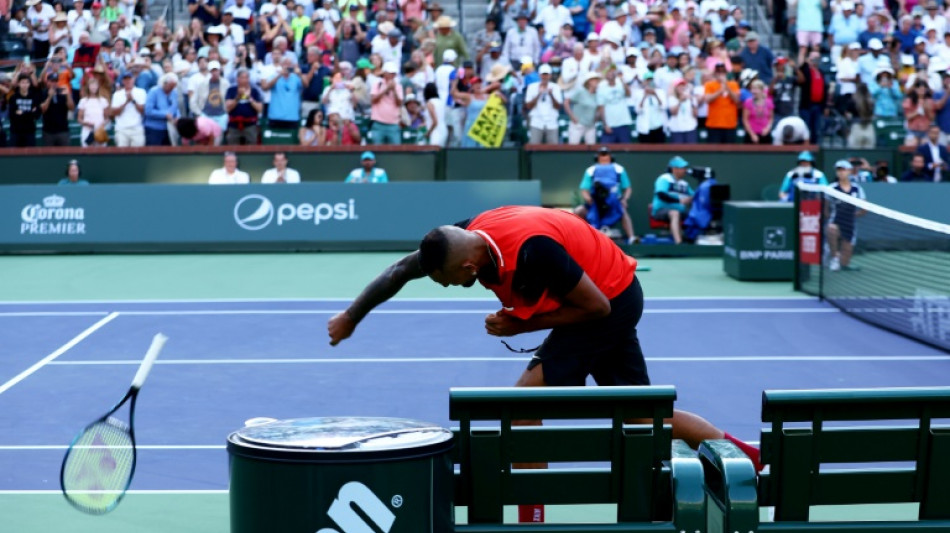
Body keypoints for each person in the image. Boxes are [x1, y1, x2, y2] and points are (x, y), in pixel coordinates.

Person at [325, 205, 764, 523]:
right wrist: (351, 316)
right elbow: (400, 270)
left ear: (469, 263)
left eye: (448, 279)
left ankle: (532, 518)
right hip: (611, 288)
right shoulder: (465, 235)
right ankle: (747, 455)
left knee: (522, 410)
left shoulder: (534, 251)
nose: (448, 286)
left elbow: (596, 310)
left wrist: (519, 327)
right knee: (641, 413)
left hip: (609, 300)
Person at [573, 146, 636, 244]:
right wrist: (588, 199)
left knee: (623, 212)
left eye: (606, 154)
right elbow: (584, 190)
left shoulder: (619, 169)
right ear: (597, 157)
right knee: (578, 211)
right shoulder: (591, 170)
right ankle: (576, 237)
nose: (604, 157)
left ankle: (631, 238)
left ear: (611, 156)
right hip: (595, 202)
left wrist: (624, 199)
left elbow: (627, 188)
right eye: (601, 155)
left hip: (614, 202)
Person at [826, 160, 866, 272]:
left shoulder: (857, 189)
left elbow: (864, 208)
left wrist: (855, 215)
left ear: (849, 171)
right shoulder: (831, 188)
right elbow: (826, 208)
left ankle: (839, 258)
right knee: (831, 229)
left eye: (843, 169)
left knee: (844, 264)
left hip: (850, 224)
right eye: (838, 170)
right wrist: (829, 219)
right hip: (835, 221)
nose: (841, 172)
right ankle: (834, 257)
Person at [651, 156, 695, 245]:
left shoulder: (684, 183)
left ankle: (692, 240)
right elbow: (661, 195)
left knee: (695, 215)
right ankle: (678, 243)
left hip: (681, 211)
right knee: (674, 213)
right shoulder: (664, 178)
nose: (685, 170)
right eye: (682, 168)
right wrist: (679, 201)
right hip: (660, 211)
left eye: (685, 168)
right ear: (674, 169)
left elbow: (694, 197)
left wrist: (691, 199)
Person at [524, 63, 563, 144]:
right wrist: (538, 94)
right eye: (543, 75)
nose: (545, 77)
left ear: (550, 75)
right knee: (534, 148)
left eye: (547, 75)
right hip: (536, 122)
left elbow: (558, 106)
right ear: (539, 75)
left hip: (551, 122)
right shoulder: (532, 87)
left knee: (553, 149)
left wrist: (551, 94)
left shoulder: (555, 87)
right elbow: (528, 106)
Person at [110, 72, 147, 147]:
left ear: (133, 79)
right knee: (121, 155)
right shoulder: (117, 94)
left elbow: (143, 111)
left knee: (138, 155)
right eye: (125, 79)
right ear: (123, 81)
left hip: (137, 129)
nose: (128, 81)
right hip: (121, 129)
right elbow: (114, 113)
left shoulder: (141, 92)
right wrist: (126, 102)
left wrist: (133, 100)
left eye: (129, 79)